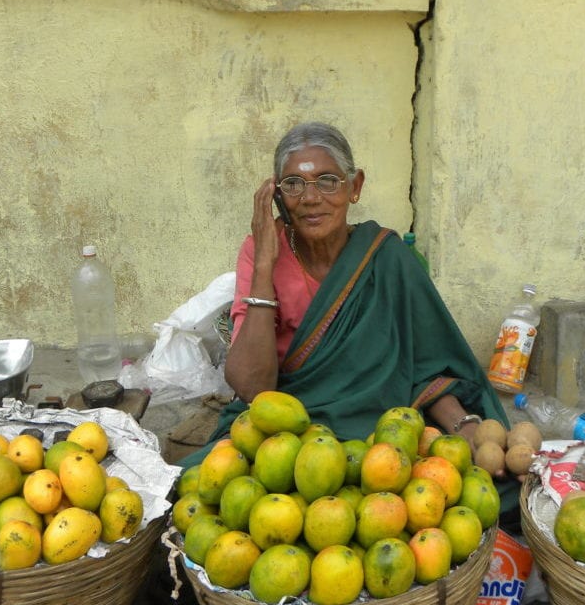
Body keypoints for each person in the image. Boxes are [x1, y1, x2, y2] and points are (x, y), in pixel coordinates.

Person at [178, 121, 520, 521]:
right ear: (276, 195)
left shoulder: (386, 257)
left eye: (328, 181)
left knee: (492, 489)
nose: (310, 197)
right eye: (293, 184)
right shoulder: (262, 252)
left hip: (379, 429)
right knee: (203, 493)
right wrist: (265, 266)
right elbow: (254, 389)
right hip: (290, 436)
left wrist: (463, 422)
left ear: (354, 187)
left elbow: (425, 365)